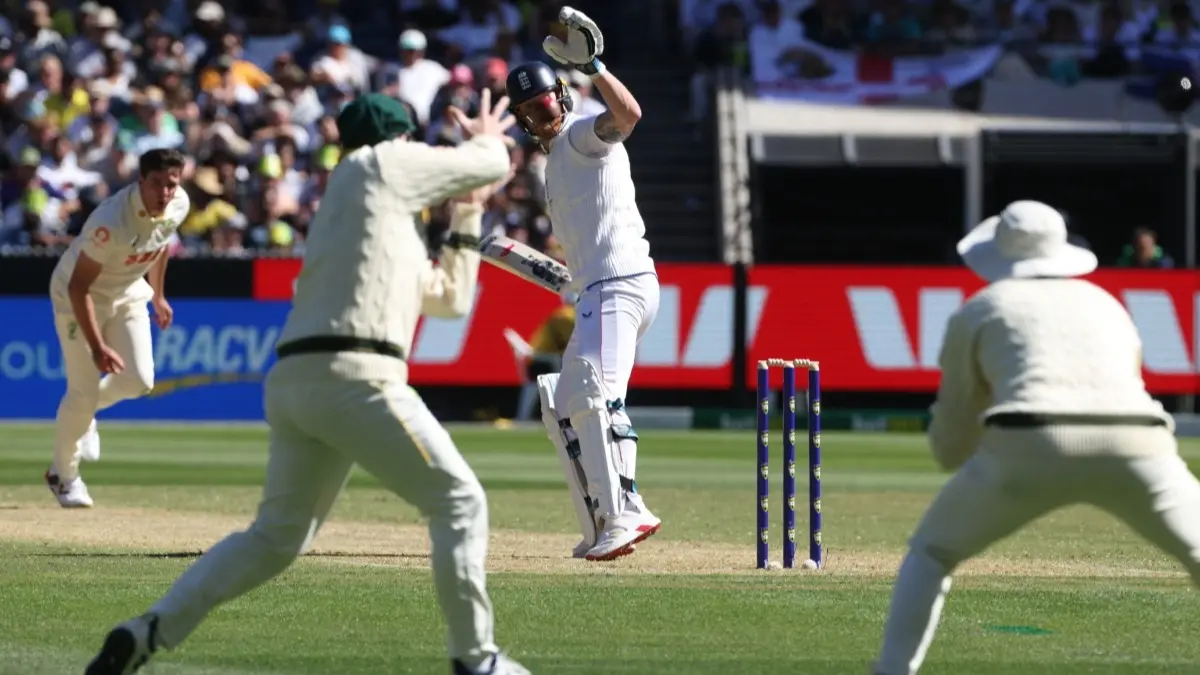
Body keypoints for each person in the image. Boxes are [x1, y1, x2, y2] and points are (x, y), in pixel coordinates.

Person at [85, 91, 531, 675]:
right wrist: (487, 136)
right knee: (460, 501)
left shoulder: (370, 212)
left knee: (273, 539)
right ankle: (476, 660)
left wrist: (468, 211)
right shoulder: (379, 165)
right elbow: (493, 160)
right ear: (397, 139)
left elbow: (450, 299)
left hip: (300, 383)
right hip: (356, 376)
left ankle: (147, 630)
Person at [873, 201, 1200, 675]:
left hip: (1027, 442)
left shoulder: (983, 306)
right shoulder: (1105, 303)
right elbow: (1129, 379)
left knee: (932, 552)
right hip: (1137, 440)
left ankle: (892, 670)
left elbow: (955, 418)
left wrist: (953, 455)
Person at [505, 6, 661, 561]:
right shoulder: (554, 162)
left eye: (543, 104)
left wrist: (594, 67)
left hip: (619, 284)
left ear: (562, 98)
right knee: (568, 399)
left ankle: (626, 513)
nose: (539, 117)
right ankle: (602, 518)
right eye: (527, 112)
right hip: (603, 287)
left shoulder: (579, 136)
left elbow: (629, 115)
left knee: (597, 395)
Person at [45, 148, 189, 508]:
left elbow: (160, 243)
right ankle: (63, 475)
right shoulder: (110, 221)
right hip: (78, 297)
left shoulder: (179, 204)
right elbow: (79, 287)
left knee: (139, 380)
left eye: (171, 184)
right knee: (82, 393)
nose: (164, 193)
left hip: (127, 291)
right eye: (156, 184)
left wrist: (158, 296)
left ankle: (87, 416)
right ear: (140, 181)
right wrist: (97, 347)